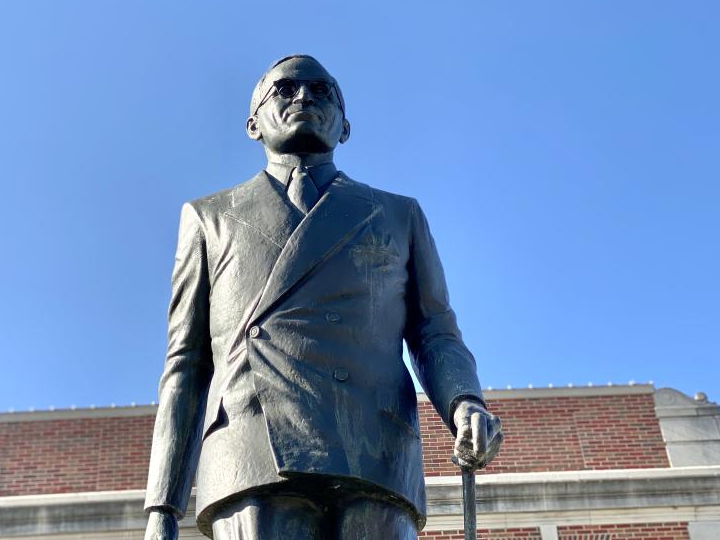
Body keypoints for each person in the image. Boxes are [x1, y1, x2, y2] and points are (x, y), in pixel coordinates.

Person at [143, 55, 502, 540]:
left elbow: (435, 331)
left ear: (346, 127)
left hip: (374, 448)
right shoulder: (210, 217)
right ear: (252, 124)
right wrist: (162, 508)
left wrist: (465, 402)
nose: (304, 97)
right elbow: (186, 364)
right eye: (284, 90)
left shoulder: (397, 214)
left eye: (321, 90)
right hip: (252, 450)